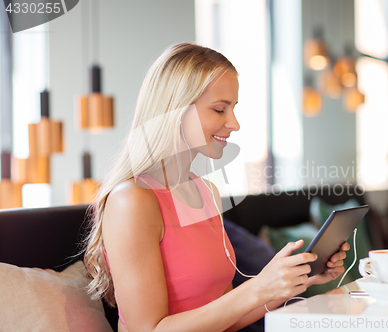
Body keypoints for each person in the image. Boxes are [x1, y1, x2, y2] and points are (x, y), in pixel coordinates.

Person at [83, 43, 350, 332]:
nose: (234, 123)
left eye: (233, 108)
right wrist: (259, 288)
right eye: (220, 109)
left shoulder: (206, 191)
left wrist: (286, 283)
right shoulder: (132, 201)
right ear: (175, 109)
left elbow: (223, 319)